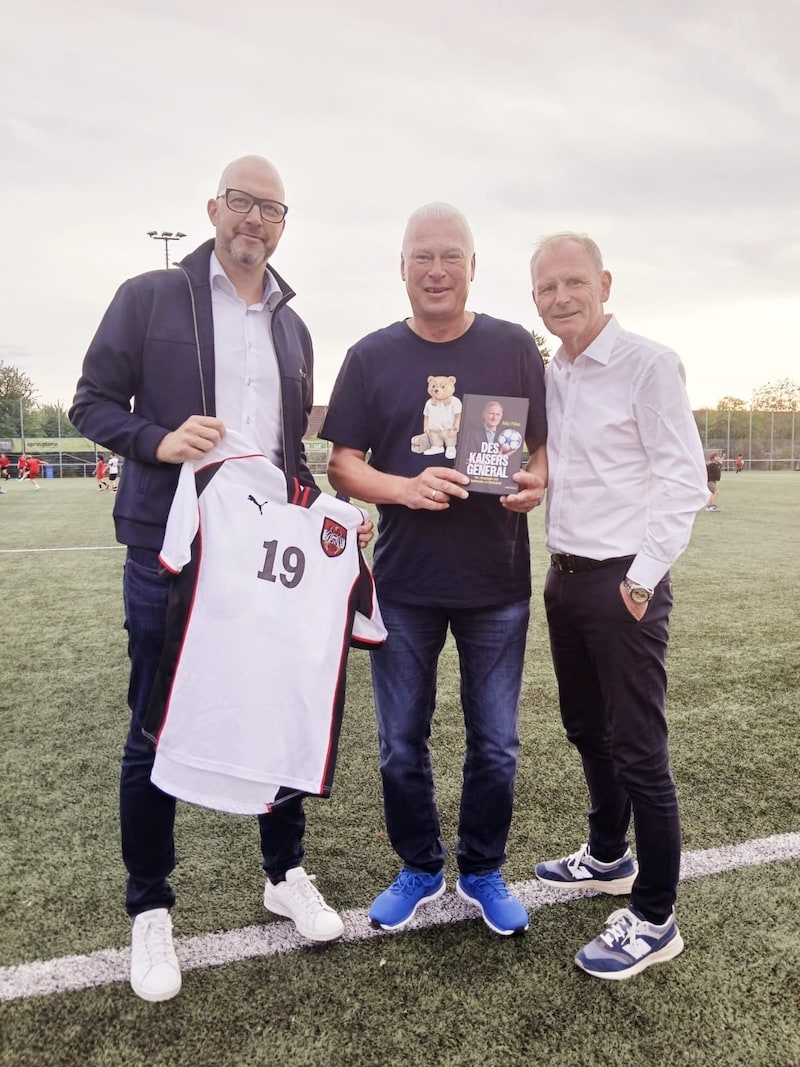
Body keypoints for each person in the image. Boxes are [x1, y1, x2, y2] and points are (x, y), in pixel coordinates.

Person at [70, 154, 372, 1003]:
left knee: (278, 705)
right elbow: (89, 402)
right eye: (241, 203)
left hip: (264, 557)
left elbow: (287, 453)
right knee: (153, 723)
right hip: (170, 544)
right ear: (212, 208)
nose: (254, 219)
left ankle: (284, 872)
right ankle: (151, 908)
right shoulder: (149, 296)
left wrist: (326, 509)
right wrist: (158, 440)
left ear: (284, 223)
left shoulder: (294, 327)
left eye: (270, 208)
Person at [321, 202, 547, 937]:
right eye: (424, 256)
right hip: (405, 583)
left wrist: (534, 483)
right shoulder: (370, 355)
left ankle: (483, 868)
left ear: (474, 266)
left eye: (452, 255)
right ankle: (419, 863)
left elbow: (539, 449)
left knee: (496, 743)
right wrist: (404, 488)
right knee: (398, 742)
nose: (438, 269)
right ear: (403, 267)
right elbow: (343, 464)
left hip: (496, 584)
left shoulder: (515, 346)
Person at [529, 232, 709, 980]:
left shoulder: (648, 363)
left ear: (604, 282)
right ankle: (607, 855)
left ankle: (656, 914)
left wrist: (639, 579)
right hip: (564, 574)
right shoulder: (550, 374)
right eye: (546, 288)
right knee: (585, 728)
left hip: (622, 583)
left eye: (573, 282)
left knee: (638, 747)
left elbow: (686, 479)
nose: (561, 297)